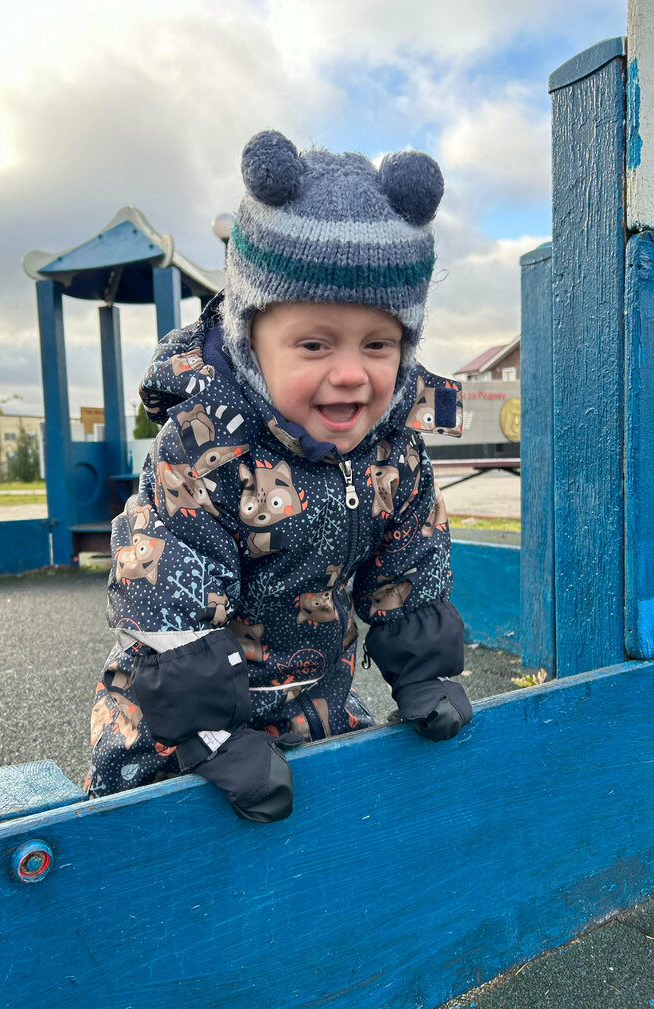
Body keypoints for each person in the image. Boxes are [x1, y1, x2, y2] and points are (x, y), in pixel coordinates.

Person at [85, 129, 473, 821]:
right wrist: (211, 737)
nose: (351, 373)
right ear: (249, 342)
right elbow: (165, 602)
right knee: (167, 854)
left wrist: (424, 675)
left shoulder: (395, 450)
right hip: (175, 726)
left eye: (378, 344)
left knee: (340, 842)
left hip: (315, 704)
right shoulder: (204, 450)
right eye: (314, 344)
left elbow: (411, 563)